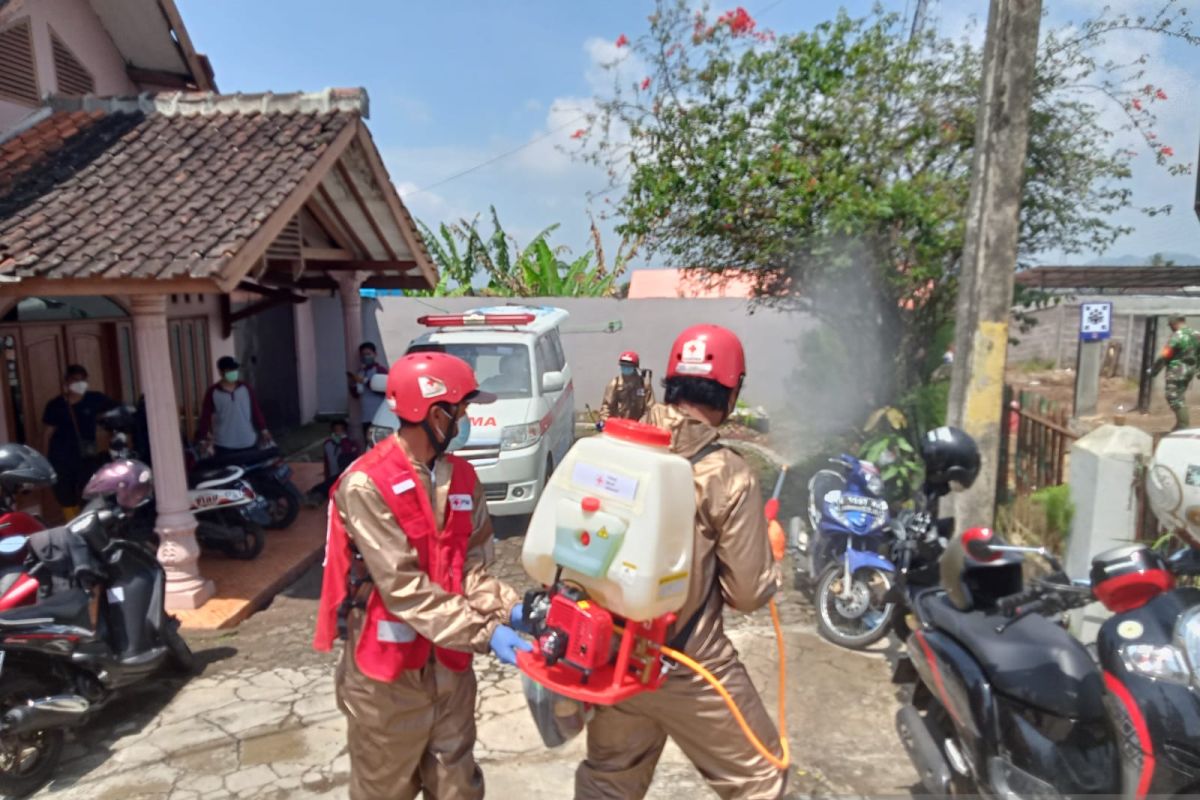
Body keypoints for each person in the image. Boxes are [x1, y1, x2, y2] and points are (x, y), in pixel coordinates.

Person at [576, 324, 786, 800]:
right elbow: (748, 593)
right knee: (761, 779)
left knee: (609, 780)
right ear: (730, 393)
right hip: (690, 661)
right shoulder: (727, 473)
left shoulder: (619, 447)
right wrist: (770, 556)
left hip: (614, 653)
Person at [314, 352, 531, 800]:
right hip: (387, 679)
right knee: (384, 790)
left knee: (457, 788)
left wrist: (512, 607)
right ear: (437, 414)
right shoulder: (366, 485)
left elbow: (471, 566)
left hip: (450, 671)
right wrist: (488, 633)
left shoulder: (464, 479)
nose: (467, 420)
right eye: (463, 410)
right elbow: (404, 590)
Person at [41, 365, 117, 519]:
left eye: (83, 380)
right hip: (61, 457)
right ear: (66, 383)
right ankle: (72, 524)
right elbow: (47, 434)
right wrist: (44, 460)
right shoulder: (56, 405)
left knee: (88, 492)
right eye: (75, 380)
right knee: (65, 494)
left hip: (86, 456)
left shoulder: (95, 399)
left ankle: (88, 523)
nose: (80, 384)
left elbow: (117, 412)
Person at [195, 356, 272, 455]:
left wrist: (264, 430)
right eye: (230, 369)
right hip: (224, 446)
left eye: (235, 369)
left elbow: (256, 411)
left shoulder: (246, 388)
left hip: (248, 442)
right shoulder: (213, 392)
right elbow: (205, 417)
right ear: (221, 372)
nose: (234, 372)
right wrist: (202, 439)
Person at [1149, 314, 1200, 431]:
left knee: (1174, 397)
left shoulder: (1177, 336)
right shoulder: (1197, 335)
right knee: (1179, 396)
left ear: (1174, 322)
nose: (1170, 327)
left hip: (1176, 371)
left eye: (1170, 325)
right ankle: (1181, 425)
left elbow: (1165, 355)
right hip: (1189, 372)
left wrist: (1154, 370)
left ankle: (1183, 425)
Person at [307, 419, 362, 505]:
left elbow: (350, 454)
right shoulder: (328, 444)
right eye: (336, 430)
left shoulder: (351, 444)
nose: (339, 432)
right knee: (330, 486)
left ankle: (315, 492)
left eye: (341, 430)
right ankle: (315, 496)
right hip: (333, 476)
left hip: (346, 475)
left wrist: (344, 440)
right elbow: (327, 463)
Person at [597, 351, 655, 428]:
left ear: (635, 367)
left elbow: (650, 408)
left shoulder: (644, 385)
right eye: (623, 366)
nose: (625, 369)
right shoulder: (614, 384)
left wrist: (642, 424)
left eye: (628, 366)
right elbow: (606, 406)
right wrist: (603, 421)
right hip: (618, 426)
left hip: (639, 427)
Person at [349, 342, 388, 441]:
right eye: (363, 355)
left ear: (375, 354)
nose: (366, 357)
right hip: (366, 417)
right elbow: (356, 395)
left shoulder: (380, 370)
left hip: (379, 416)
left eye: (368, 354)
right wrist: (353, 383)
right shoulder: (361, 372)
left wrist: (364, 381)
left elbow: (385, 390)